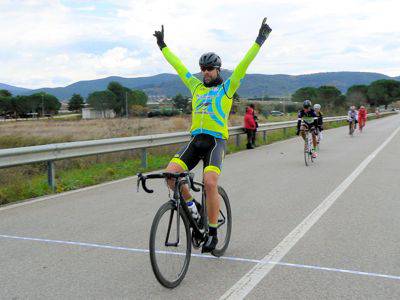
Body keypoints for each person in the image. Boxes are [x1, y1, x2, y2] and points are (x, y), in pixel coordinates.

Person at [153, 18, 272, 252]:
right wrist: (162, 45)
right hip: (195, 142)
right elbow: (178, 67)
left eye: (210, 69)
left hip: (215, 142)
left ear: (218, 69)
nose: (205, 72)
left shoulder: (227, 88)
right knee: (170, 176)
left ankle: (213, 234)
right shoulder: (196, 87)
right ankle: (194, 210)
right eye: (203, 69)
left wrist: (260, 39)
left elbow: (244, 65)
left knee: (209, 182)